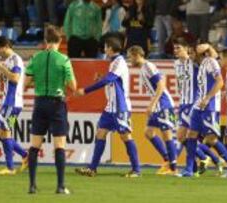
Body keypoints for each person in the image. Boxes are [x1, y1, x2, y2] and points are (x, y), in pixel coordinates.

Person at [75, 37, 141, 178]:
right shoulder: (114, 62)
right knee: (100, 133)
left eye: (105, 47)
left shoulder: (119, 62)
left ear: (110, 48)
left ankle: (136, 170)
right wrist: (101, 79)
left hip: (120, 107)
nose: (104, 49)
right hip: (110, 107)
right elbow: (111, 81)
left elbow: (109, 79)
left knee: (125, 136)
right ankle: (92, 168)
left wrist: (85, 90)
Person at [24, 26, 77, 194]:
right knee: (59, 146)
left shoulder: (35, 58)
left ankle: (32, 185)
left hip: (39, 104)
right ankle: (60, 186)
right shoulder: (64, 60)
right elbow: (73, 86)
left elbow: (25, 84)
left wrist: (39, 83)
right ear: (60, 41)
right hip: (56, 104)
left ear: (45, 41)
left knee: (34, 146)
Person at [181, 44, 227, 178]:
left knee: (211, 139)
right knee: (191, 135)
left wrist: (207, 98)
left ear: (200, 53)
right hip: (198, 105)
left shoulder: (211, 62)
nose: (190, 56)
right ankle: (189, 169)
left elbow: (220, 82)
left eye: (192, 53)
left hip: (210, 106)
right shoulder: (201, 64)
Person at [173, 38, 224, 176]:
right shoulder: (176, 64)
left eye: (178, 48)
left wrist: (208, 46)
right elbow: (180, 82)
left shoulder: (194, 61)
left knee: (188, 135)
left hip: (194, 102)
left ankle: (199, 163)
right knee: (185, 137)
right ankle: (209, 159)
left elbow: (214, 58)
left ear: (186, 48)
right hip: (183, 103)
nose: (175, 51)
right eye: (174, 48)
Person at [127, 45, 177, 175]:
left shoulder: (148, 66)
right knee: (148, 132)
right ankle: (167, 159)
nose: (129, 60)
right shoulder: (144, 68)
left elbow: (161, 85)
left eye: (130, 57)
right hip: (158, 105)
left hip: (163, 104)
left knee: (167, 134)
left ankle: (173, 167)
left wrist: (152, 104)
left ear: (137, 54)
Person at [0, 36, 28, 175]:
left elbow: (15, 78)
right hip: (9, 103)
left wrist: (2, 68)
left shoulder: (15, 59)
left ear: (6, 46)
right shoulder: (7, 61)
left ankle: (10, 167)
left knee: (4, 131)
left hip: (12, 103)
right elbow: (8, 79)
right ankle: (25, 155)